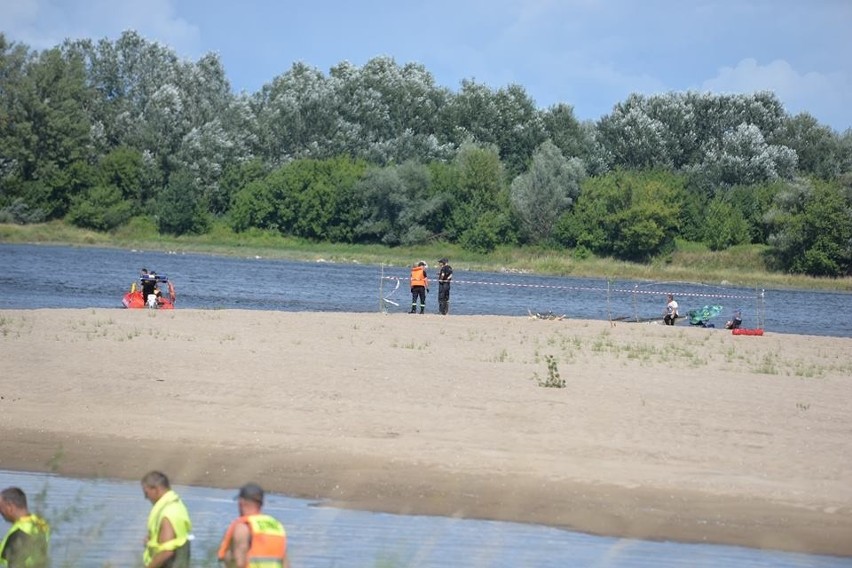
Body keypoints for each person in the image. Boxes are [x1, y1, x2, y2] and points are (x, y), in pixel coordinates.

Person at [217, 483, 289, 568]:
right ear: (261, 504)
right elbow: (286, 564)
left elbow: (239, 563)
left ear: (241, 502)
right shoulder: (277, 526)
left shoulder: (244, 527)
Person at [141, 471, 193, 568]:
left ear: (156, 489)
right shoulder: (177, 505)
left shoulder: (168, 512)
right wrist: (151, 542)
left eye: (146, 493)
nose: (146, 497)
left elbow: (167, 552)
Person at [0, 487, 50, 568]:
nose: (0, 512)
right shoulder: (40, 522)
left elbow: (15, 563)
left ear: (9, 507)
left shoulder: (20, 533)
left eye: (0, 507)